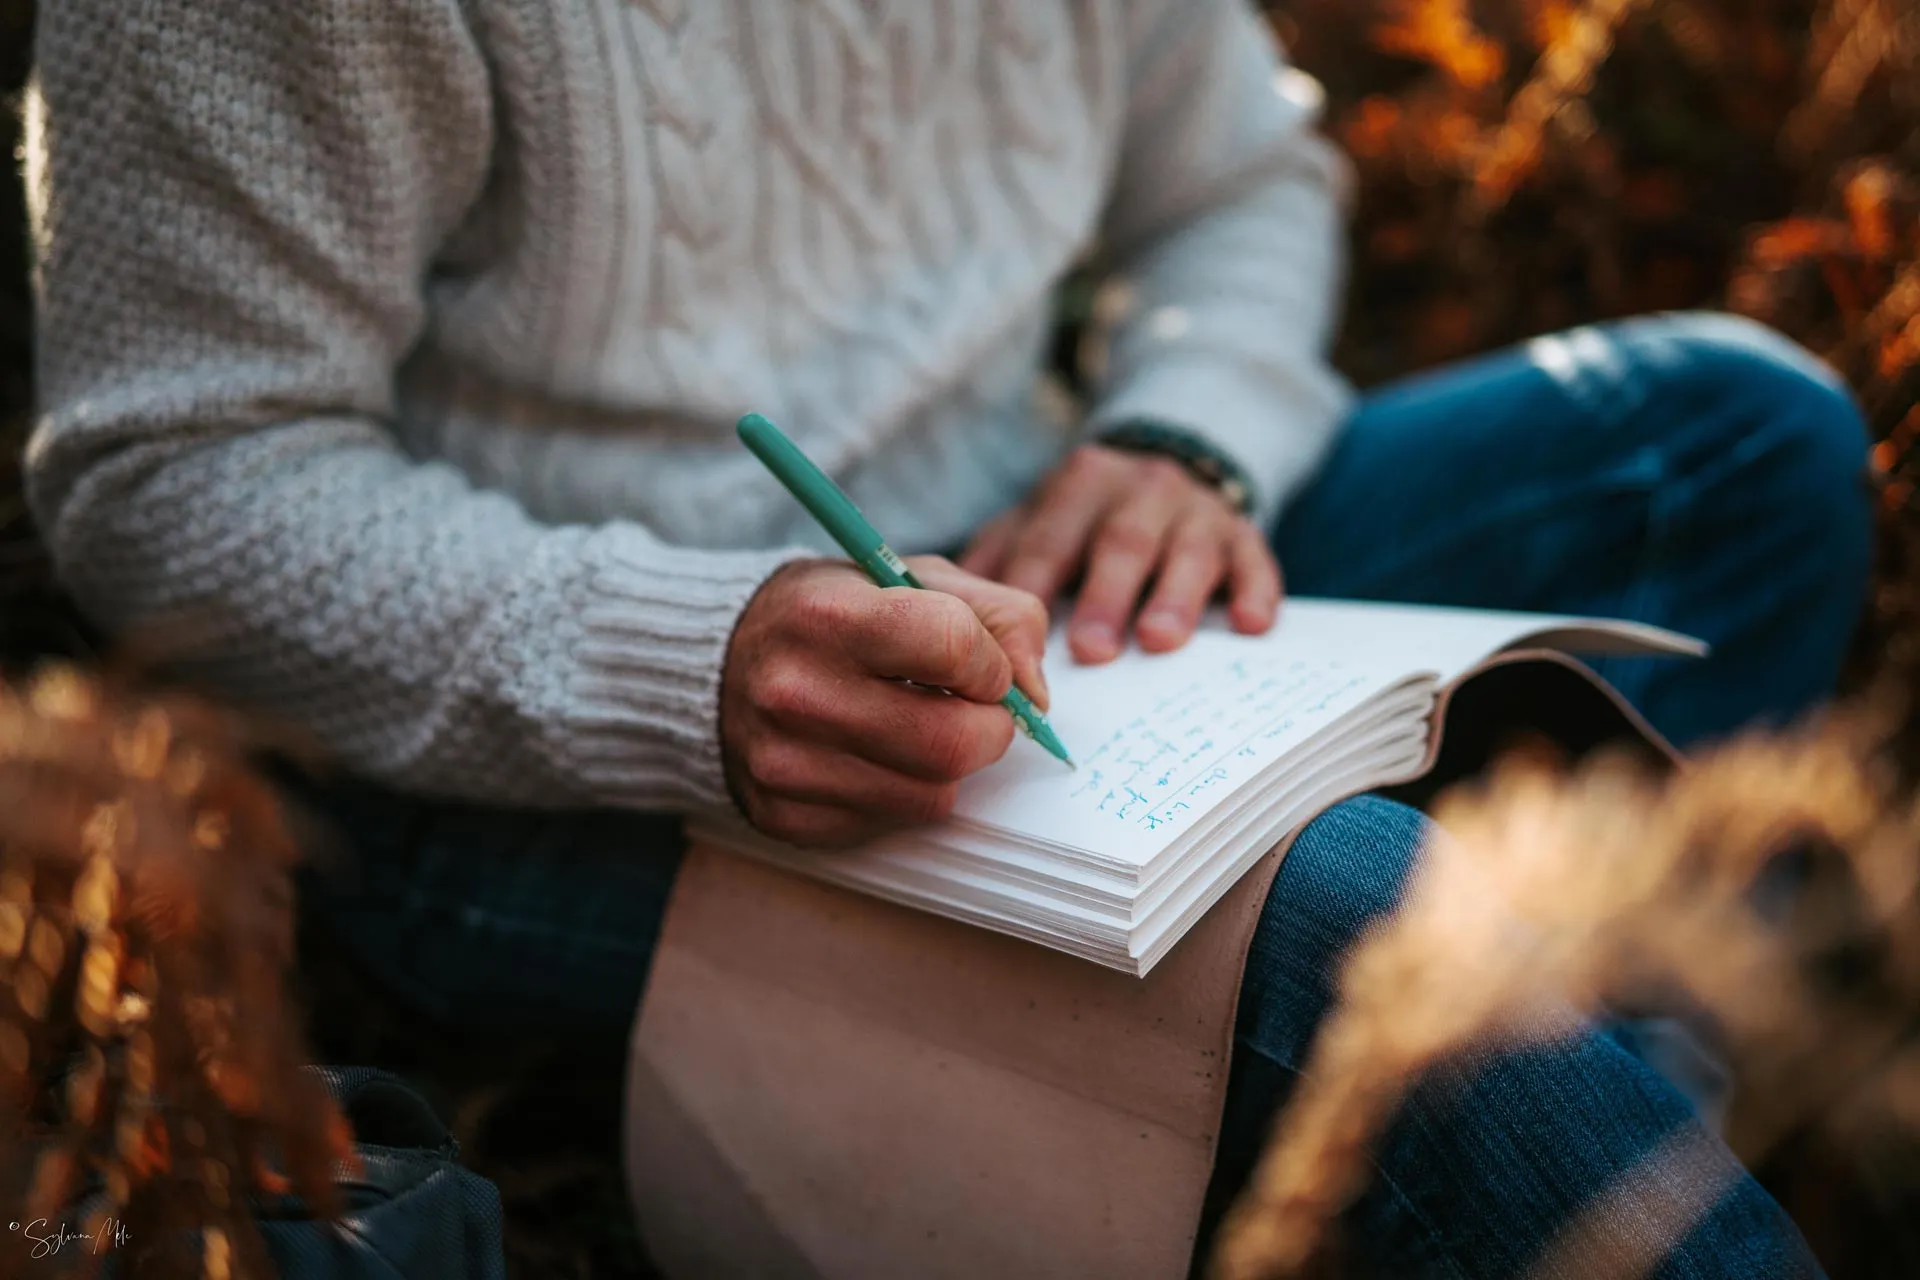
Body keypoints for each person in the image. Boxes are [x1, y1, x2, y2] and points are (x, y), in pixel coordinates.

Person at [25, 0, 1870, 1274]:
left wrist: (1177, 436)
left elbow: (1236, 184)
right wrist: (684, 657)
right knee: (1364, 914)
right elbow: (176, 465)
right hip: (525, 728)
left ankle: (1591, 1129)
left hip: (1033, 570)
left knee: (1740, 436)